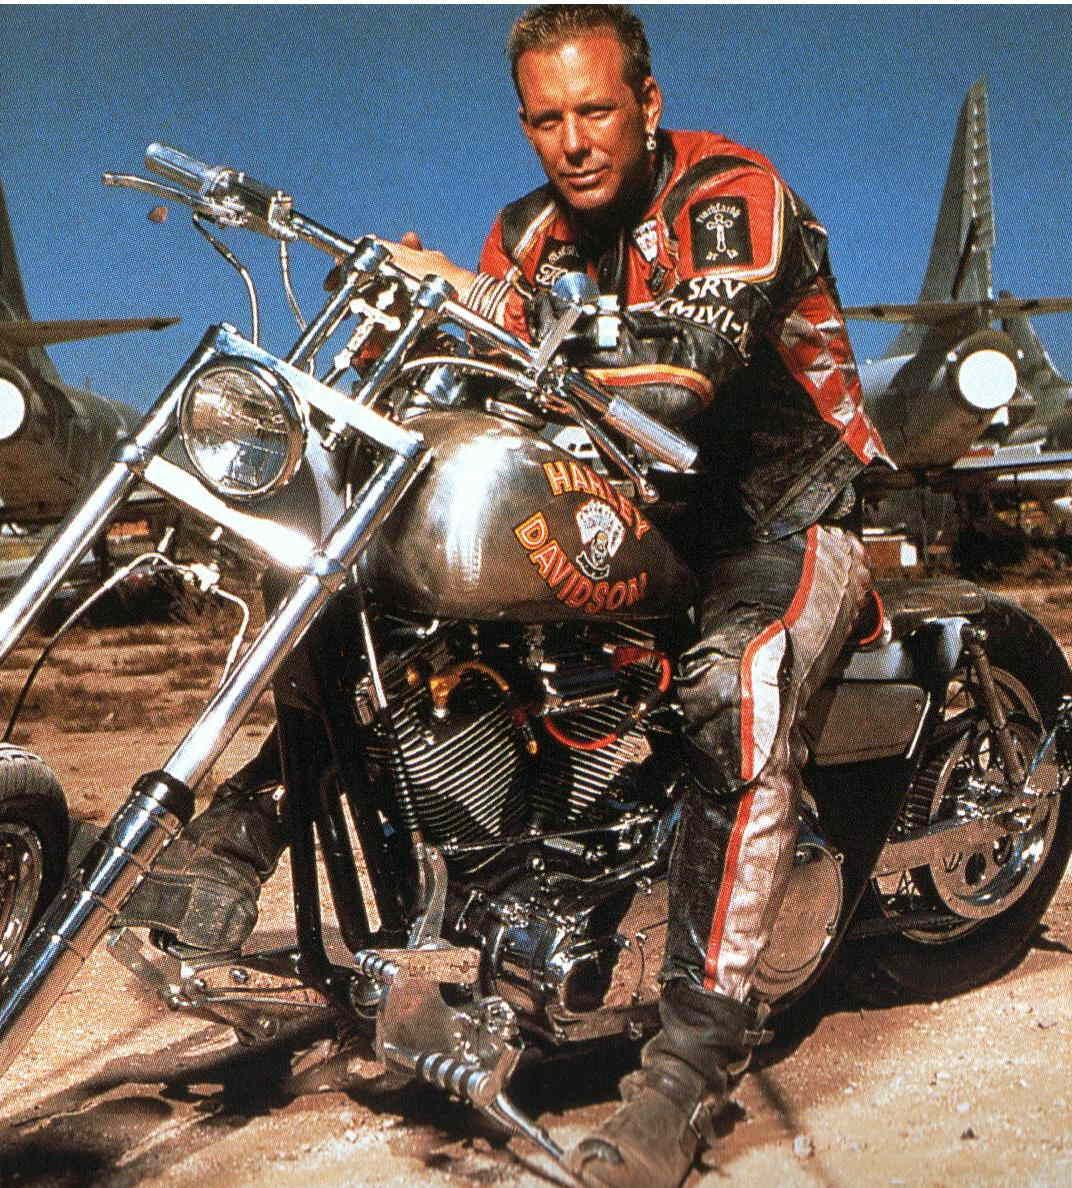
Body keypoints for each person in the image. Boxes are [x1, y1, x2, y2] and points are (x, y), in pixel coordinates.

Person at [122, 7, 889, 1185]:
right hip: (637, 519)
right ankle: (258, 822)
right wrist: (417, 321)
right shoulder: (527, 233)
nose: (572, 141)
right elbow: (495, 376)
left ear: (645, 102)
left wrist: (491, 309)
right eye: (545, 119)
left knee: (736, 686)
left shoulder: (728, 192)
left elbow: (682, 375)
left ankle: (685, 1076)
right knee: (385, 610)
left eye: (594, 111)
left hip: (780, 518)